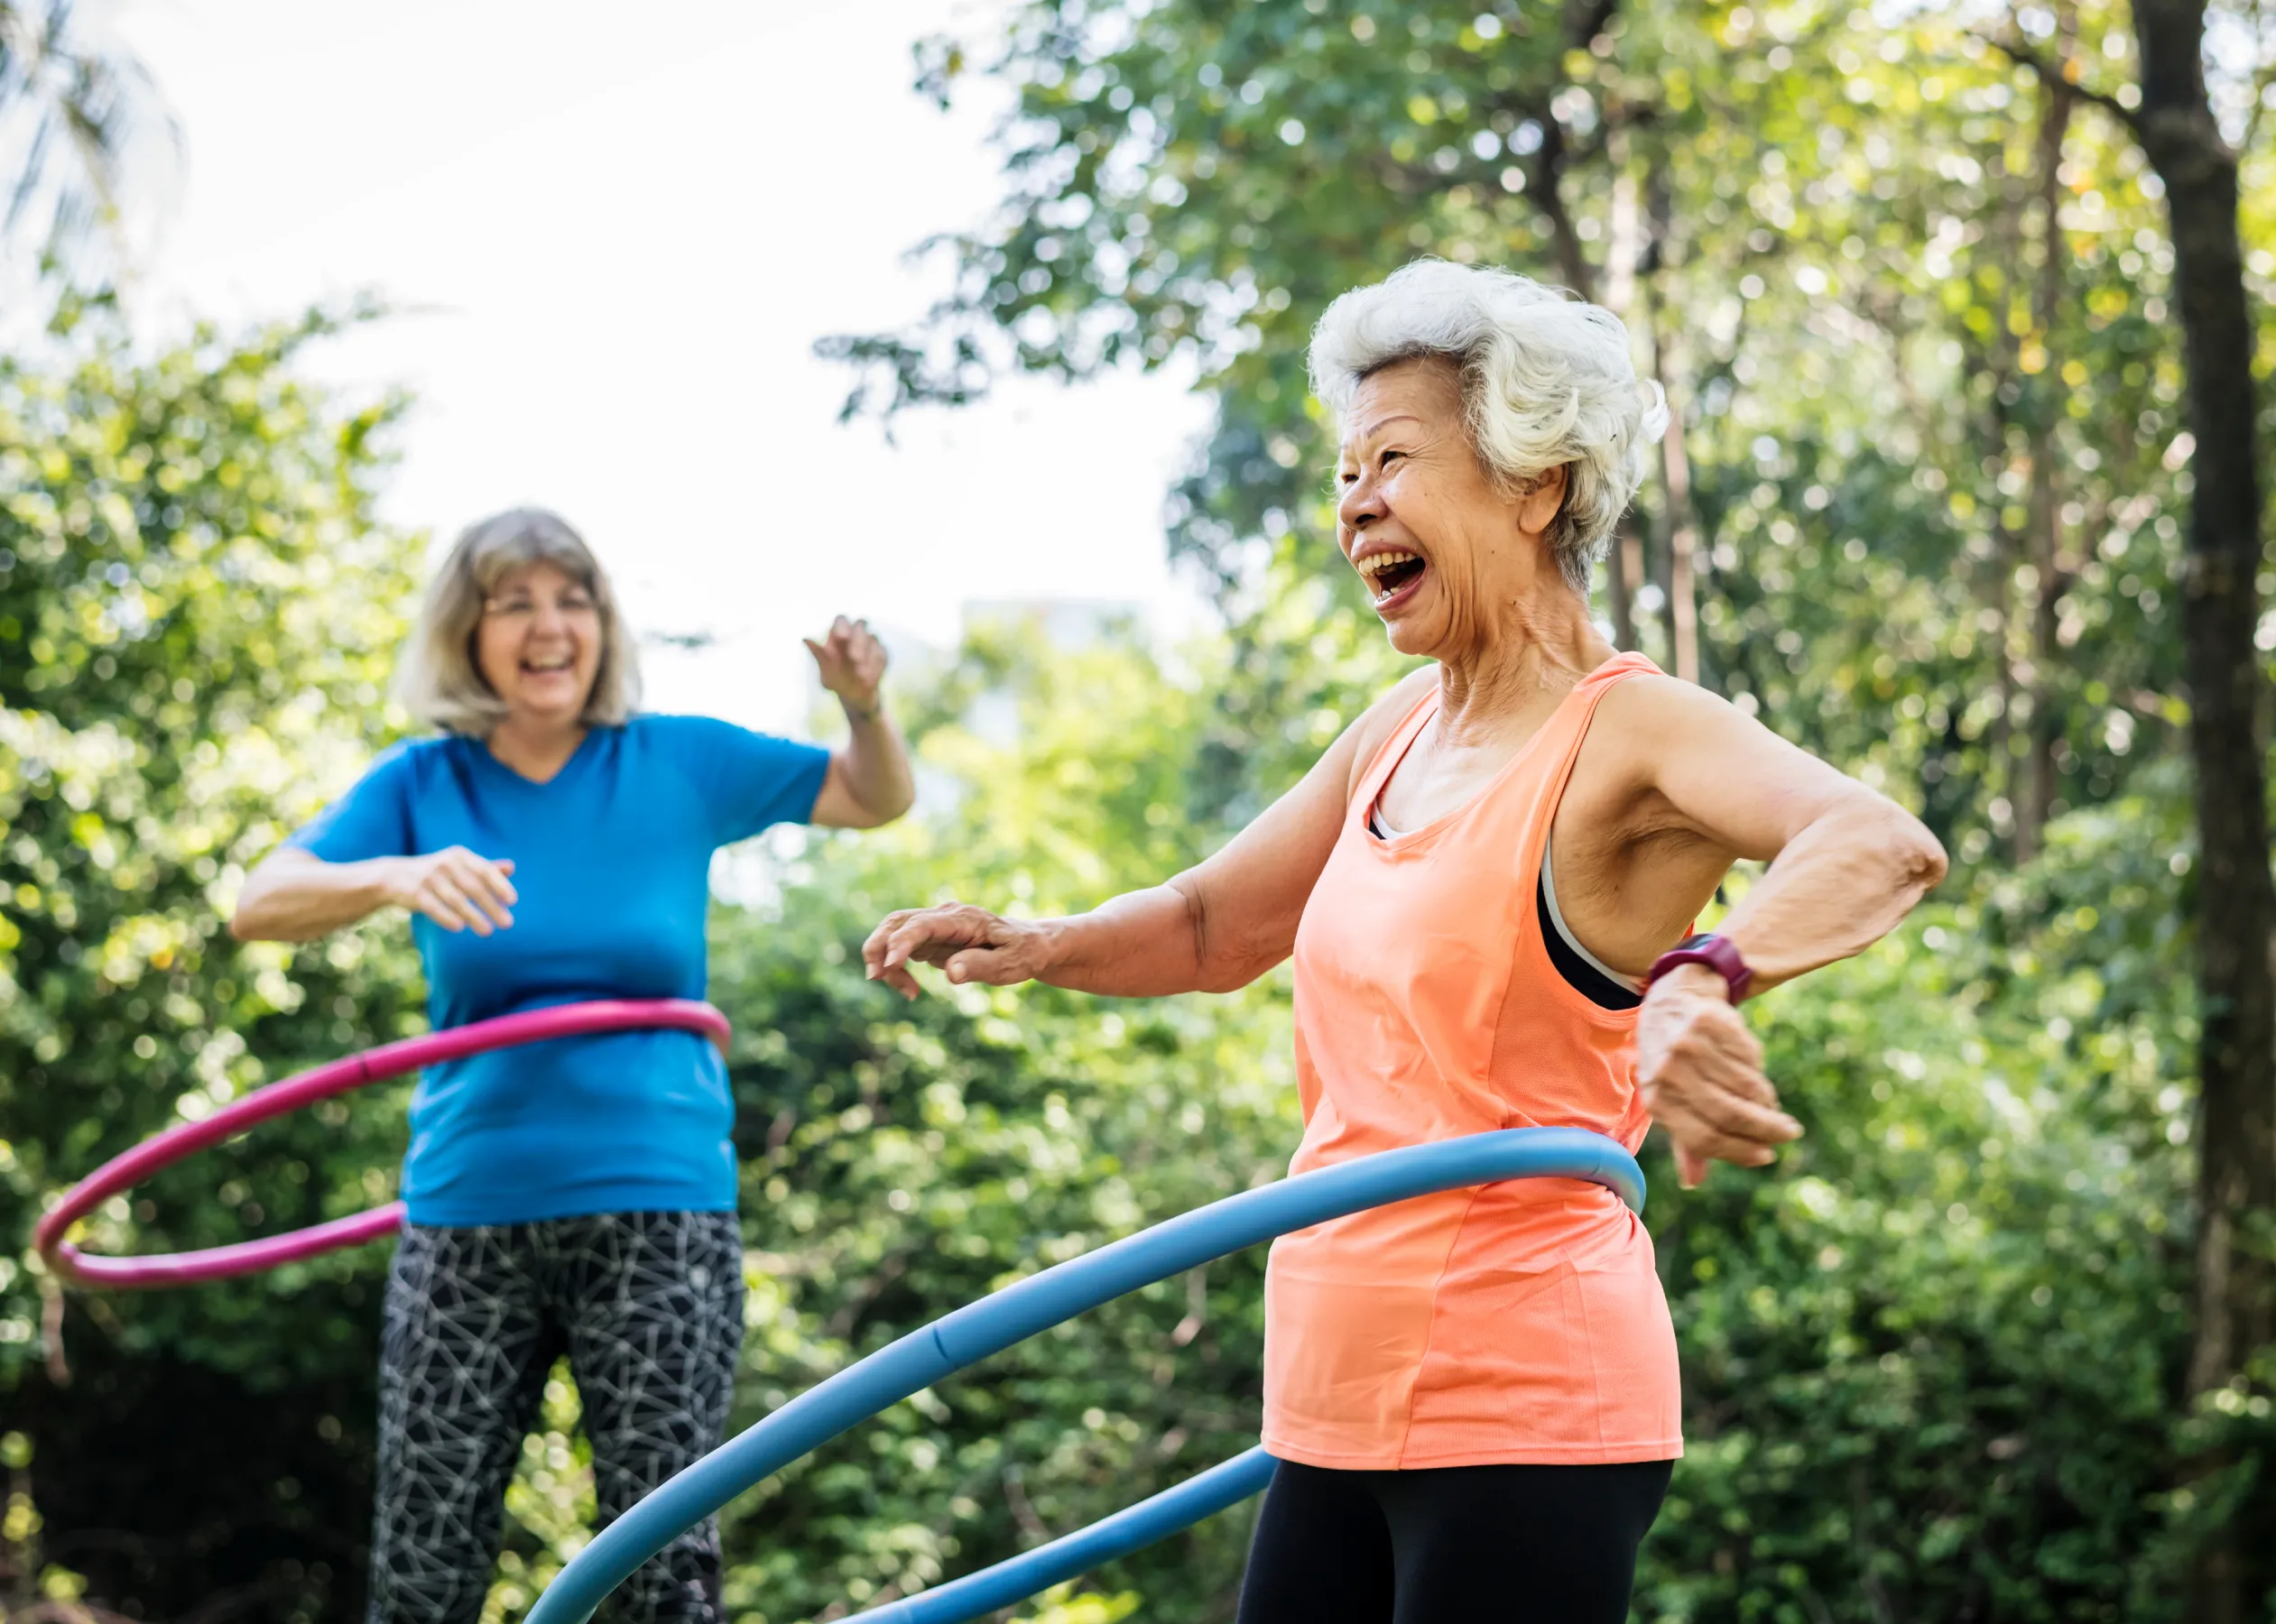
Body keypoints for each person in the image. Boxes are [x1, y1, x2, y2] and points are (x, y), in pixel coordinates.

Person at [860, 261, 1948, 1624]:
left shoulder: (1633, 730)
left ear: (1534, 481)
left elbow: (1879, 840)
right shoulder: (1397, 732)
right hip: (1327, 1406)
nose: (1354, 503)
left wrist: (1704, 977)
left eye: (1393, 460)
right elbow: (1210, 925)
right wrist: (1037, 941)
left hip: (1525, 1402)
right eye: (1342, 473)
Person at [230, 508, 914, 1624]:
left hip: (659, 1212)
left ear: (601, 623)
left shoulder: (677, 759)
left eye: (572, 598)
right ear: (469, 629)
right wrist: (391, 876)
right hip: (464, 1215)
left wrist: (864, 705)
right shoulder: (421, 784)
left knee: (662, 1574)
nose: (549, 627)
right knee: (423, 1569)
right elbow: (259, 902)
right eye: (515, 602)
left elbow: (872, 797)